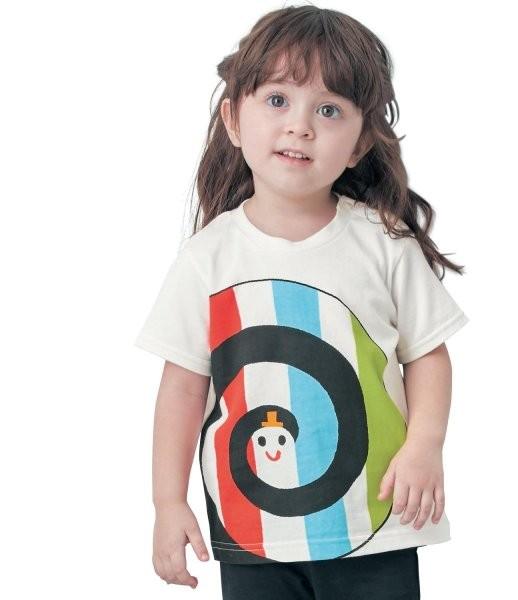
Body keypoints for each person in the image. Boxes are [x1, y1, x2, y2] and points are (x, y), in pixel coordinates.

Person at [134, 5, 469, 599]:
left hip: (377, 522)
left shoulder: (384, 242)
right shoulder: (207, 257)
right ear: (233, 119)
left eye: (329, 109)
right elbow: (182, 387)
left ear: (360, 143)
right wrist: (168, 501)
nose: (300, 126)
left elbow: (427, 355)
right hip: (252, 528)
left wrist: (425, 445)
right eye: (277, 100)